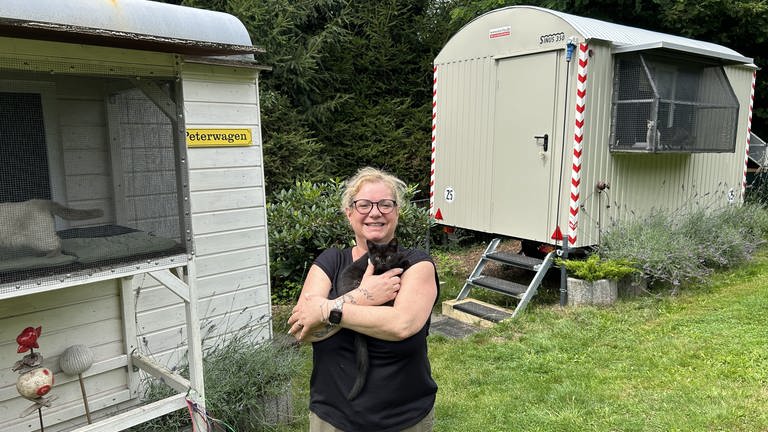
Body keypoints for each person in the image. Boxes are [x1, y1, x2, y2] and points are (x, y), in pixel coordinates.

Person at [288, 166, 439, 432]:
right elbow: (303, 328)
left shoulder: (416, 264)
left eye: (385, 204)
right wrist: (364, 295)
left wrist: (326, 310)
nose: (375, 212)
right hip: (333, 419)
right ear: (349, 213)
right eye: (364, 205)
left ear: (397, 212)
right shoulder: (330, 261)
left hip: (405, 419)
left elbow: (401, 324)